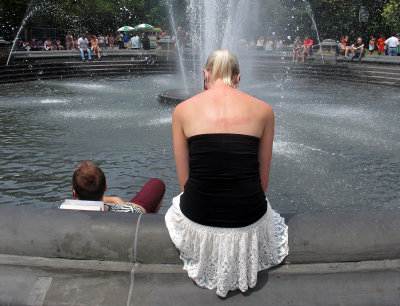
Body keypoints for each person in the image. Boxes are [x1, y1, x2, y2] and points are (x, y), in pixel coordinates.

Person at [165, 50, 289, 297]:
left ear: (205, 74)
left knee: (176, 204)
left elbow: (184, 182)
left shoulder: (182, 110)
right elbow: (263, 183)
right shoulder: (264, 110)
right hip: (248, 218)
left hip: (198, 214)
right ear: (238, 78)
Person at [69, 161, 165, 213]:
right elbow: (141, 210)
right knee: (156, 184)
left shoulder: (61, 215)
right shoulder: (124, 212)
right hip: (133, 219)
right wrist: (117, 201)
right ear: (105, 188)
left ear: (74, 193)